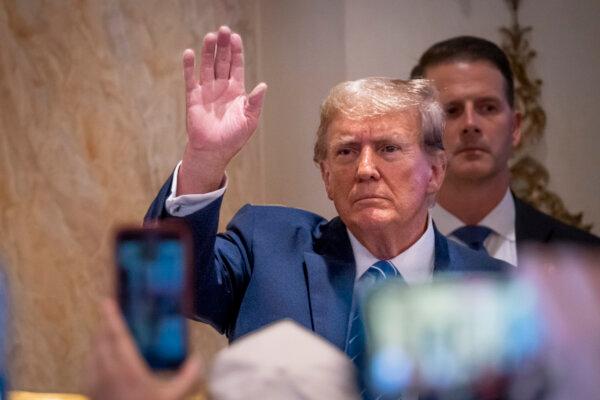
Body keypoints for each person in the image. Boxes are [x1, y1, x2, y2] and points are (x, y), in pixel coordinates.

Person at [145, 26, 509, 353]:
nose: (365, 169)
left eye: (389, 149)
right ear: (327, 176)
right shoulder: (267, 248)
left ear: (434, 172)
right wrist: (204, 160)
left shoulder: (497, 290)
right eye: (346, 151)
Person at [410, 36, 600, 265]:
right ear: (421, 133)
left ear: (515, 127)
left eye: (488, 108)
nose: (470, 124)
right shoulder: (381, 253)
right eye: (451, 110)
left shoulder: (586, 257)